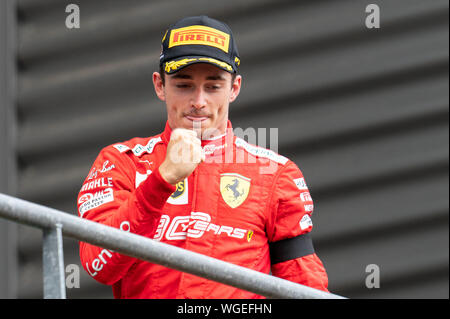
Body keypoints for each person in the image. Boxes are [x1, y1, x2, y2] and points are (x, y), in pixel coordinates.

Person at [77, 15, 328, 299]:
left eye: (213, 86)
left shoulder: (276, 174)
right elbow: (99, 265)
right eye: (184, 86)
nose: (198, 101)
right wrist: (161, 181)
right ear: (160, 85)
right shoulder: (120, 161)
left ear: (234, 88)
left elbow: (305, 287)